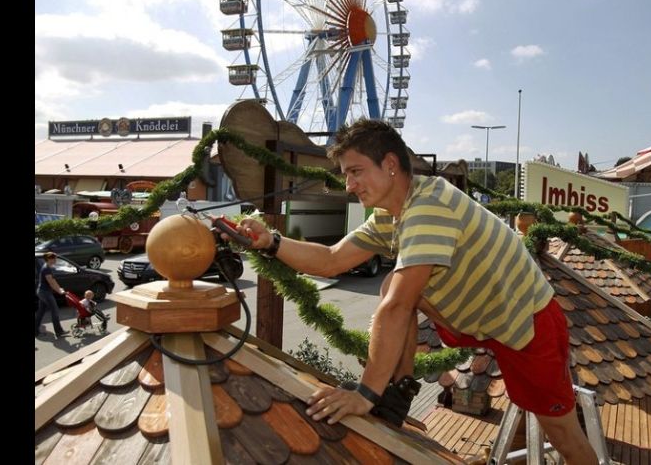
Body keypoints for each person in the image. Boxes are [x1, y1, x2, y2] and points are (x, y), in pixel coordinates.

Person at [233, 119, 598, 464]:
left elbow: (396, 308)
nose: (349, 185)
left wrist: (364, 394)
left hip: (526, 327)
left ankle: (383, 392)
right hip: (480, 318)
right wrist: (271, 241)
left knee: (564, 436)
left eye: (356, 171)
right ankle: (398, 391)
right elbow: (332, 259)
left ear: (390, 164)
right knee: (395, 283)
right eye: (345, 175)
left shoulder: (428, 209)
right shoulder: (393, 213)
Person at [35, 252, 69, 337]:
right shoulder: (46, 268)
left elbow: (54, 281)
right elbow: (51, 282)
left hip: (42, 292)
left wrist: (60, 288)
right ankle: (59, 331)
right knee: (55, 311)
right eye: (54, 258)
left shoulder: (47, 267)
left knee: (41, 311)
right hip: (45, 293)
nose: (55, 260)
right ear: (49, 259)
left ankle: (35, 330)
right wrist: (60, 291)